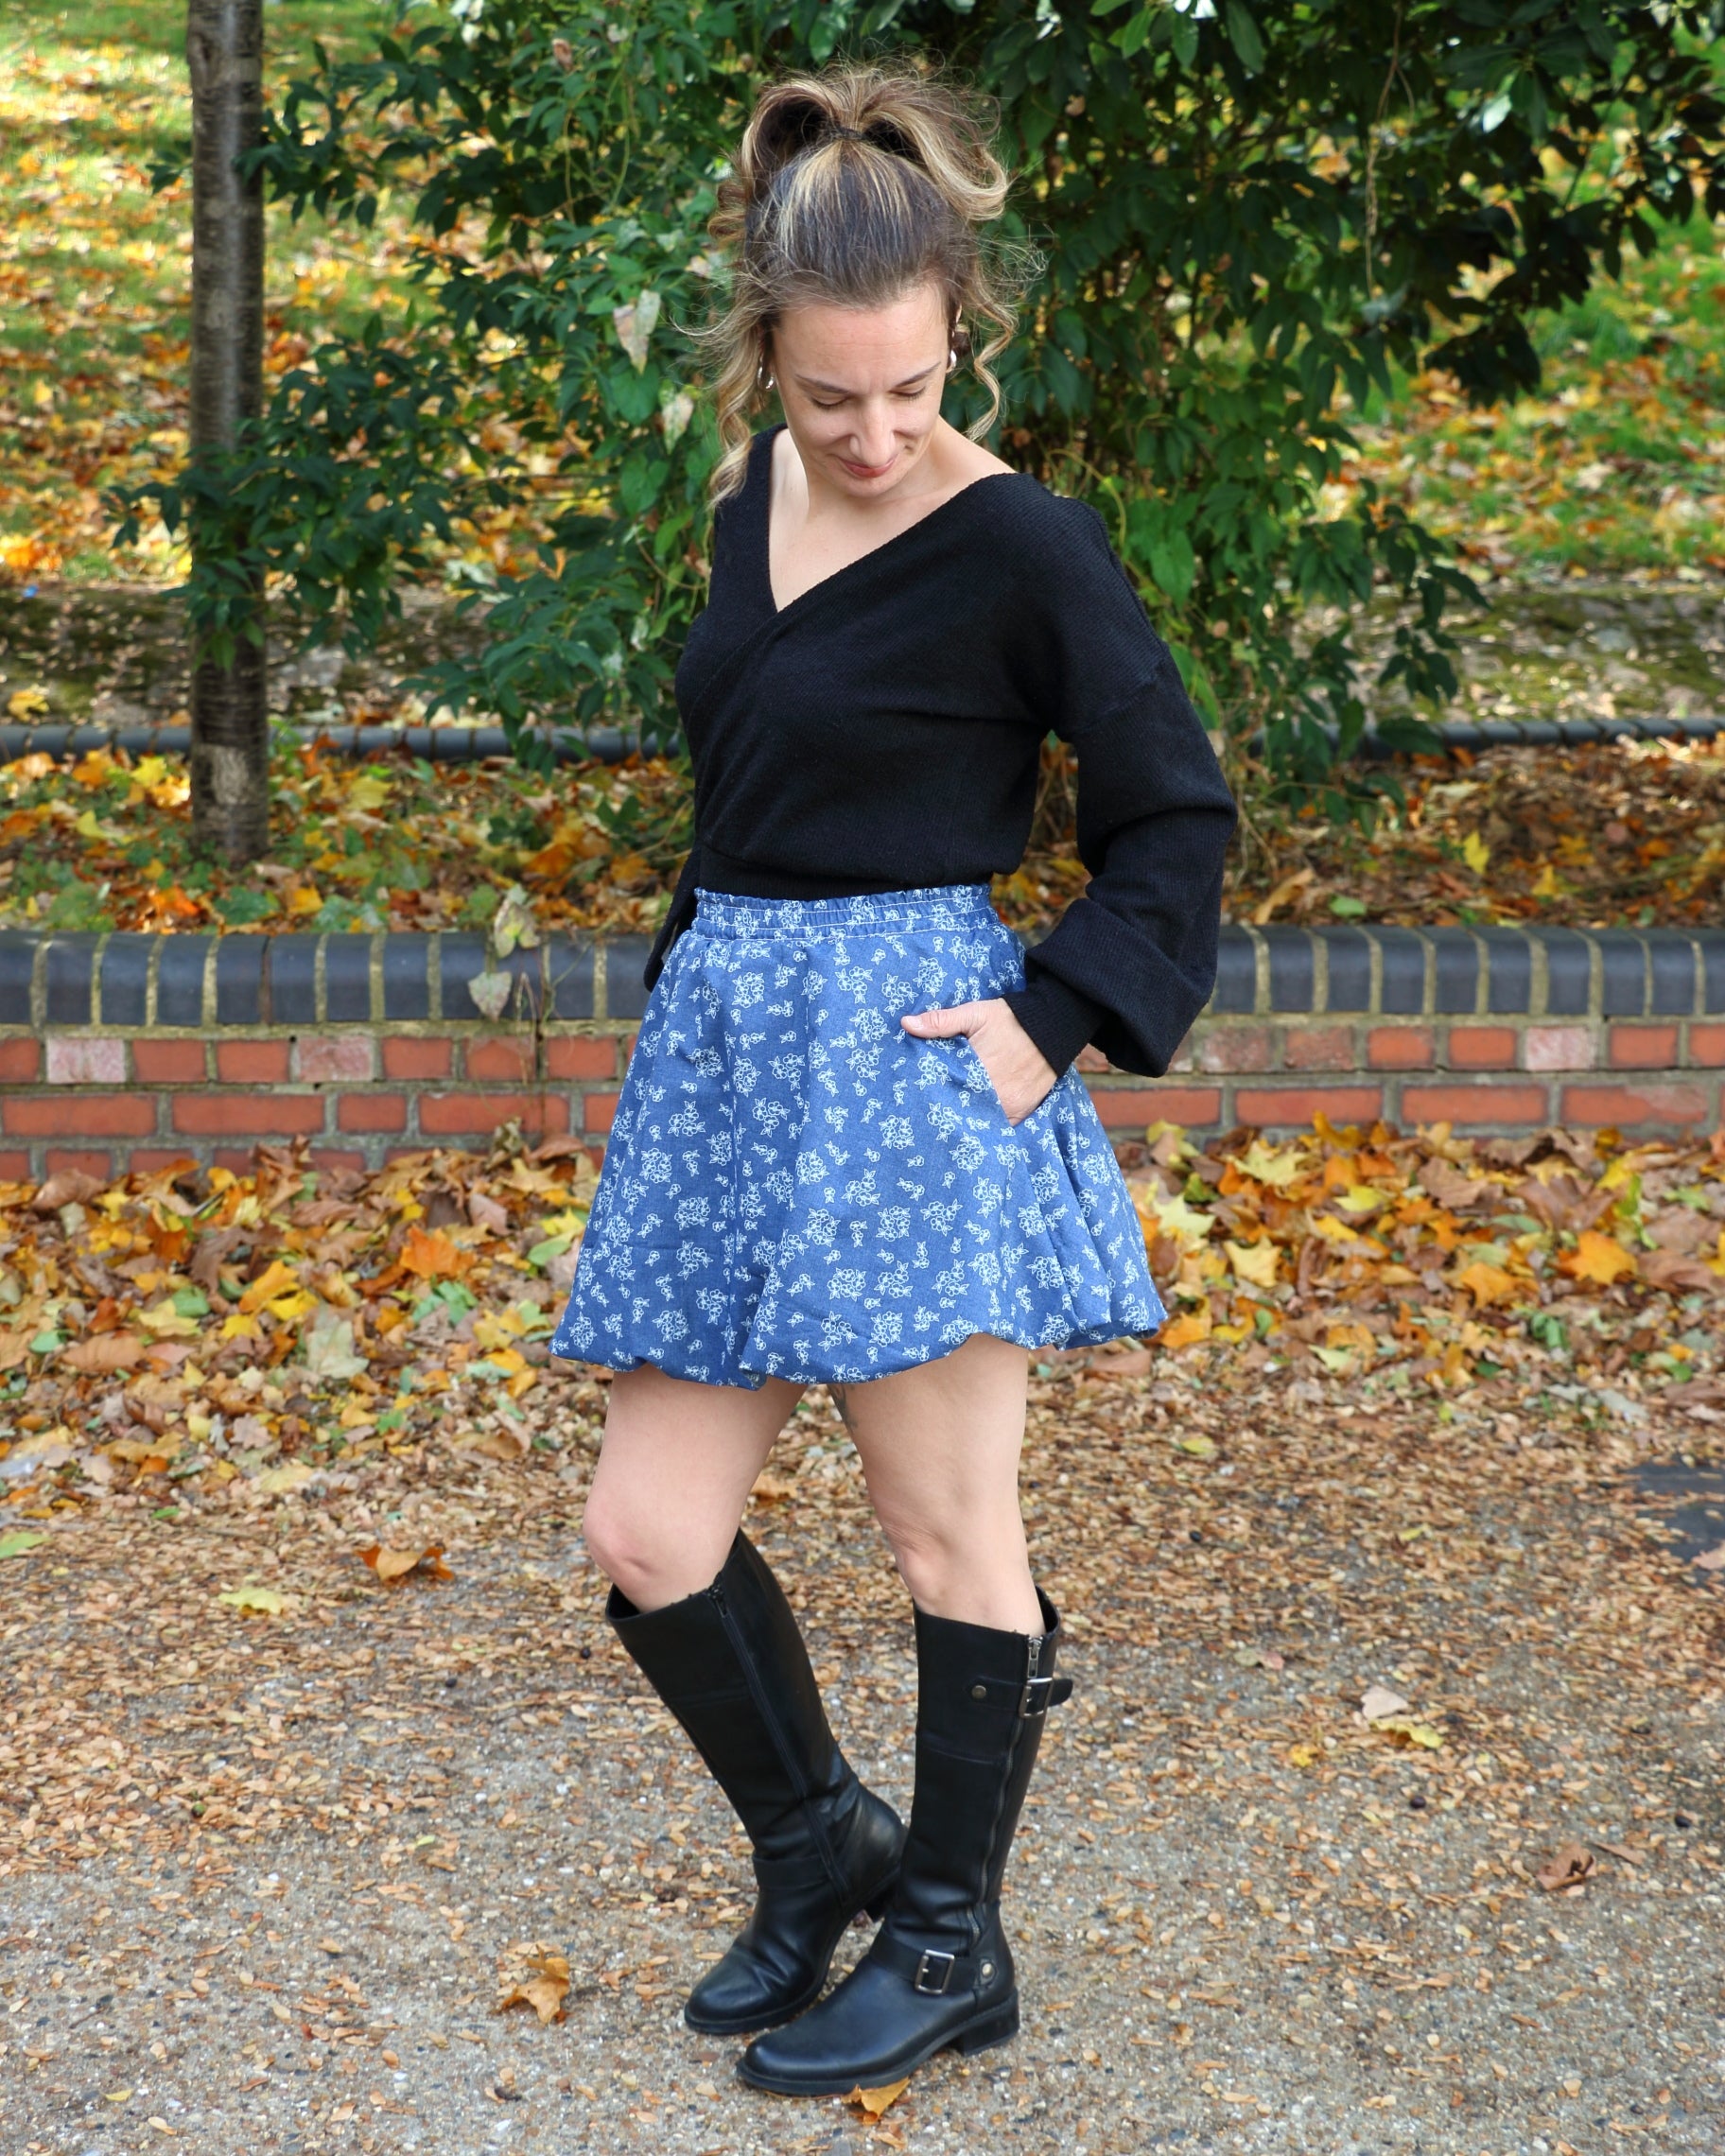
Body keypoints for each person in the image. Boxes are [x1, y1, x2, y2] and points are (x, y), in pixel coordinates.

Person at [549, 60, 1236, 2097]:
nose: (870, 435)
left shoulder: (1031, 548)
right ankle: (820, 1840)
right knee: (648, 1528)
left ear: (964, 344)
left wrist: (1053, 1017)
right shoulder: (747, 498)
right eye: (830, 394)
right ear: (765, 349)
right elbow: (760, 783)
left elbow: (1173, 820)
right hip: (740, 1078)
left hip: (923, 1078)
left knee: (953, 1542)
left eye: (913, 390)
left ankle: (951, 1934)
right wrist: (699, 1009)